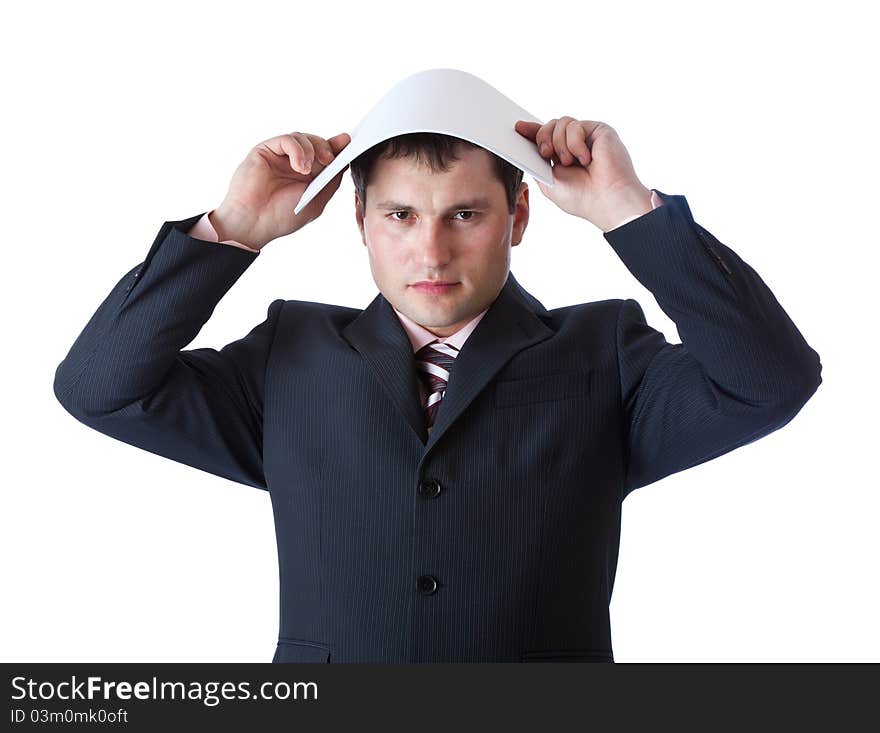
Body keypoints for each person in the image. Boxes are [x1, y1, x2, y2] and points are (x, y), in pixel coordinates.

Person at [53, 117, 822, 663]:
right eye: (399, 214)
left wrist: (629, 213)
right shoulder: (290, 355)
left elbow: (772, 381)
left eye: (465, 213)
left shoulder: (606, 351)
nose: (431, 248)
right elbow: (99, 388)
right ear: (359, 219)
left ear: (518, 215)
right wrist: (235, 226)